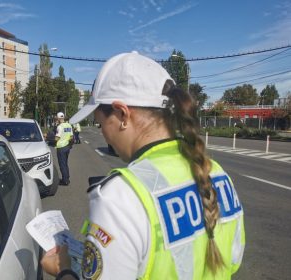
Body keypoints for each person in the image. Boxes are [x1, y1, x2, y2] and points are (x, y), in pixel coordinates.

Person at [41, 51, 245, 279]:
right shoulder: (217, 173)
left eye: (100, 123)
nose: (105, 135)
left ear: (122, 114)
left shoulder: (120, 197)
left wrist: (63, 270)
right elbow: (233, 260)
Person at [55, 112, 74, 186]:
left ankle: (65, 181)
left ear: (58, 118)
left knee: (62, 164)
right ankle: (67, 177)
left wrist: (50, 139)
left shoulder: (60, 127)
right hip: (67, 147)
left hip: (61, 147)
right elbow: (71, 137)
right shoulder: (69, 125)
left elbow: (57, 137)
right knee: (65, 163)